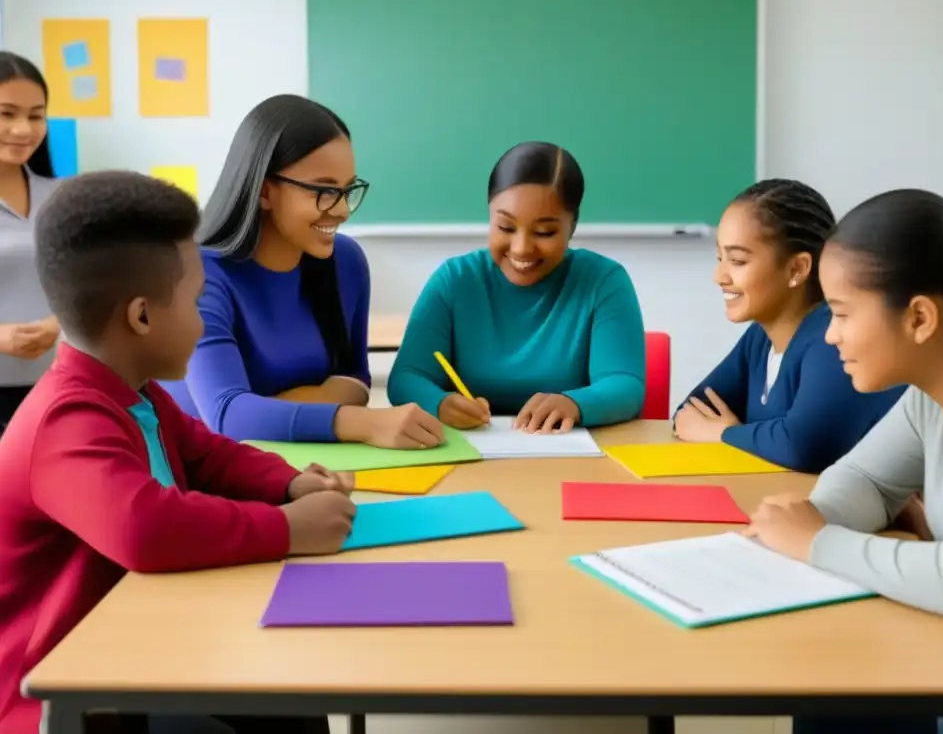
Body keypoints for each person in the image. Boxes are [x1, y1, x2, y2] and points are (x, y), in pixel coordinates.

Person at [0, 171, 357, 734]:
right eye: (195, 302)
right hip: (64, 700)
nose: (204, 321)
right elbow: (146, 527)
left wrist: (288, 482)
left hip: (138, 646)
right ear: (141, 316)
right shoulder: (65, 421)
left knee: (294, 701)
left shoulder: (134, 391)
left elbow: (210, 455)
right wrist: (289, 527)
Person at [745, 189, 943, 734]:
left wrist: (816, 541)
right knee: (833, 681)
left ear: (919, 318)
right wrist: (815, 519)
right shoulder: (932, 399)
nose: (829, 335)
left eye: (843, 313)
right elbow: (864, 478)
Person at [161, 94, 442, 448]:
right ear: (264, 191)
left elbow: (355, 382)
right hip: (202, 477)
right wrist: (358, 422)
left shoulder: (346, 262)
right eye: (324, 191)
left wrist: (266, 410)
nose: (342, 211)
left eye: (347, 190)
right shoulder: (199, 276)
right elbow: (228, 417)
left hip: (306, 466)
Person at [387, 141, 646, 433]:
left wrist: (575, 404)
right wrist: (439, 403)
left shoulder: (603, 281)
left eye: (544, 232)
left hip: (566, 455)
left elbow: (626, 385)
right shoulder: (454, 280)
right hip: (466, 455)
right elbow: (407, 377)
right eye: (505, 228)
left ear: (572, 227)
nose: (521, 249)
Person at [672, 179, 904, 472]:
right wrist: (752, 437)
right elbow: (691, 412)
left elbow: (802, 446)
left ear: (796, 269)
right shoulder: (760, 337)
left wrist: (723, 434)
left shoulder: (833, 338)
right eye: (720, 258)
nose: (719, 275)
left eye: (738, 261)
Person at [0, 51, 62, 429]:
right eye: (7, 114)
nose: (24, 129)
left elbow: (94, 282)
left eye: (36, 115)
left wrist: (61, 324)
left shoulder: (63, 197)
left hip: (56, 389)